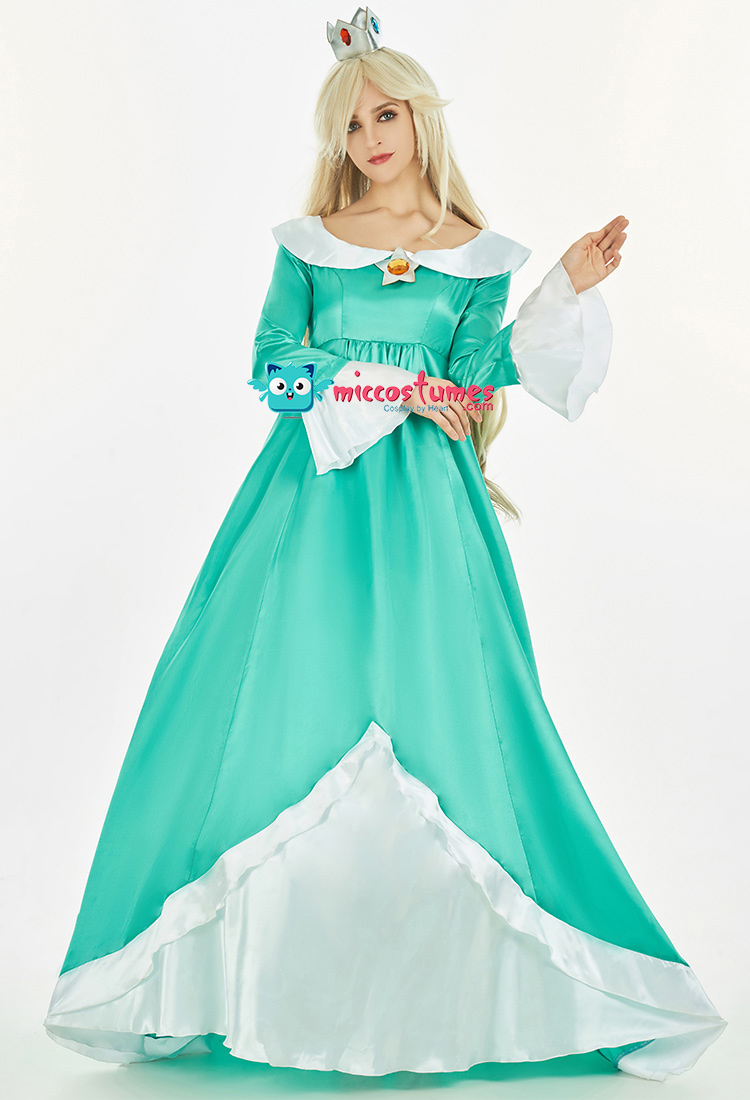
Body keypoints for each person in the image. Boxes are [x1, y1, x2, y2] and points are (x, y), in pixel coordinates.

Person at [44, 7, 726, 1082]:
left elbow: (476, 375)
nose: (370, 137)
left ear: (420, 119)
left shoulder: (474, 255)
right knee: (266, 711)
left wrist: (564, 288)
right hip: (308, 507)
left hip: (429, 515)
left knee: (459, 717)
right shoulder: (309, 247)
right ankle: (226, 979)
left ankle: (474, 995)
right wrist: (390, 385)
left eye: (387, 115)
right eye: (352, 123)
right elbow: (275, 369)